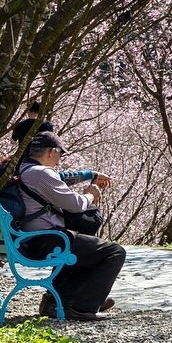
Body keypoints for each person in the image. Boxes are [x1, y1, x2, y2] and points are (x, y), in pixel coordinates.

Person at [18, 131, 125, 321]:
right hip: (44, 240)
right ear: (51, 152)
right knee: (114, 252)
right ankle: (80, 305)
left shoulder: (23, 168)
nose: (59, 159)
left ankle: (58, 301)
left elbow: (61, 177)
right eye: (60, 153)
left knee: (85, 246)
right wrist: (91, 193)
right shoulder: (40, 173)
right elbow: (75, 205)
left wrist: (89, 175)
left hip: (25, 238)